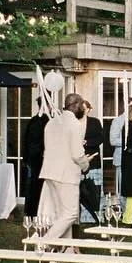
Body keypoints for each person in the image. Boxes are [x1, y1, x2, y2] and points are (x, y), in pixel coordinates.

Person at [40, 92, 92, 240]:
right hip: (66, 174)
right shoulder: (75, 124)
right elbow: (76, 154)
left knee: (61, 214)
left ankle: (66, 250)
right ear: (75, 105)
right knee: (71, 214)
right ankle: (44, 243)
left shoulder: (52, 122)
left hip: (50, 172)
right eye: (82, 105)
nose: (83, 108)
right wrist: (85, 163)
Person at [80, 101, 105, 224]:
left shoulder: (95, 122)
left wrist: (87, 142)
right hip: (78, 160)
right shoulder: (74, 122)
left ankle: (95, 215)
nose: (83, 110)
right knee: (81, 189)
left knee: (94, 188)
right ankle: (82, 216)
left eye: (85, 108)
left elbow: (101, 138)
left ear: (89, 109)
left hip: (93, 159)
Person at [117, 103, 132, 218]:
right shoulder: (130, 127)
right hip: (131, 163)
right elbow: (129, 146)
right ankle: (129, 217)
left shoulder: (129, 126)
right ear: (131, 113)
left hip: (129, 163)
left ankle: (128, 216)